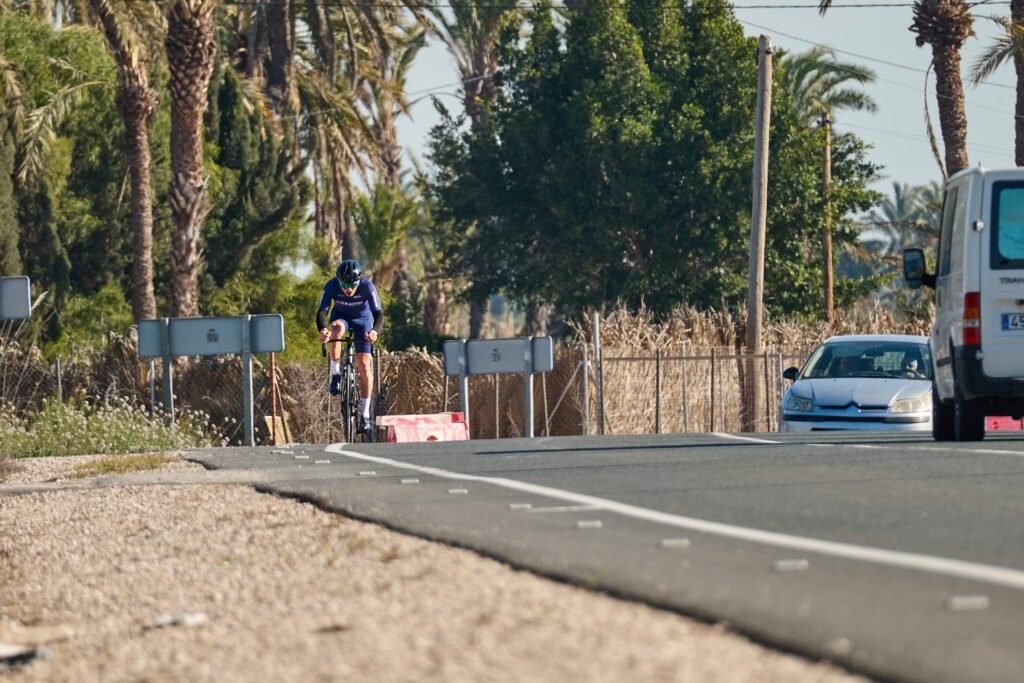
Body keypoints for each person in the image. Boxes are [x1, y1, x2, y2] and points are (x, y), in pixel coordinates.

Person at [316, 259, 384, 434]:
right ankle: (336, 373)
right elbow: (322, 312)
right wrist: (323, 330)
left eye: (351, 284)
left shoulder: (367, 287)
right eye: (344, 283)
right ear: (338, 280)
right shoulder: (331, 286)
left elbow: (379, 314)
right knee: (335, 330)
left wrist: (374, 332)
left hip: (364, 320)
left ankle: (365, 415)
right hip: (341, 317)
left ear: (358, 281)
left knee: (364, 366)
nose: (348, 288)